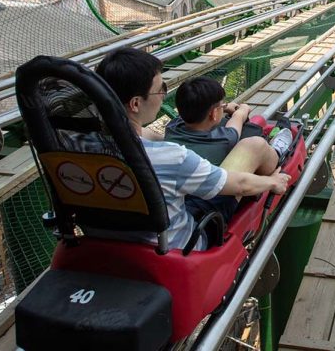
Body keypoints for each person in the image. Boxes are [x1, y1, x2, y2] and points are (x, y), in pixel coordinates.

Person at [95, 47, 291, 251]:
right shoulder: (171, 157)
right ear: (135, 104)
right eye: (161, 88)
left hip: (106, 243)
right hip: (177, 245)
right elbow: (240, 185)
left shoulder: (77, 146)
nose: (163, 95)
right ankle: (277, 152)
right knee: (254, 145)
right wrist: (272, 182)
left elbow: (142, 136)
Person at [165, 76, 292, 166]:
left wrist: (223, 107)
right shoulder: (224, 138)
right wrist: (243, 109)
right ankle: (277, 150)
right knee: (258, 144)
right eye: (222, 105)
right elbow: (238, 117)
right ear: (214, 113)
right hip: (218, 192)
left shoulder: (172, 127)